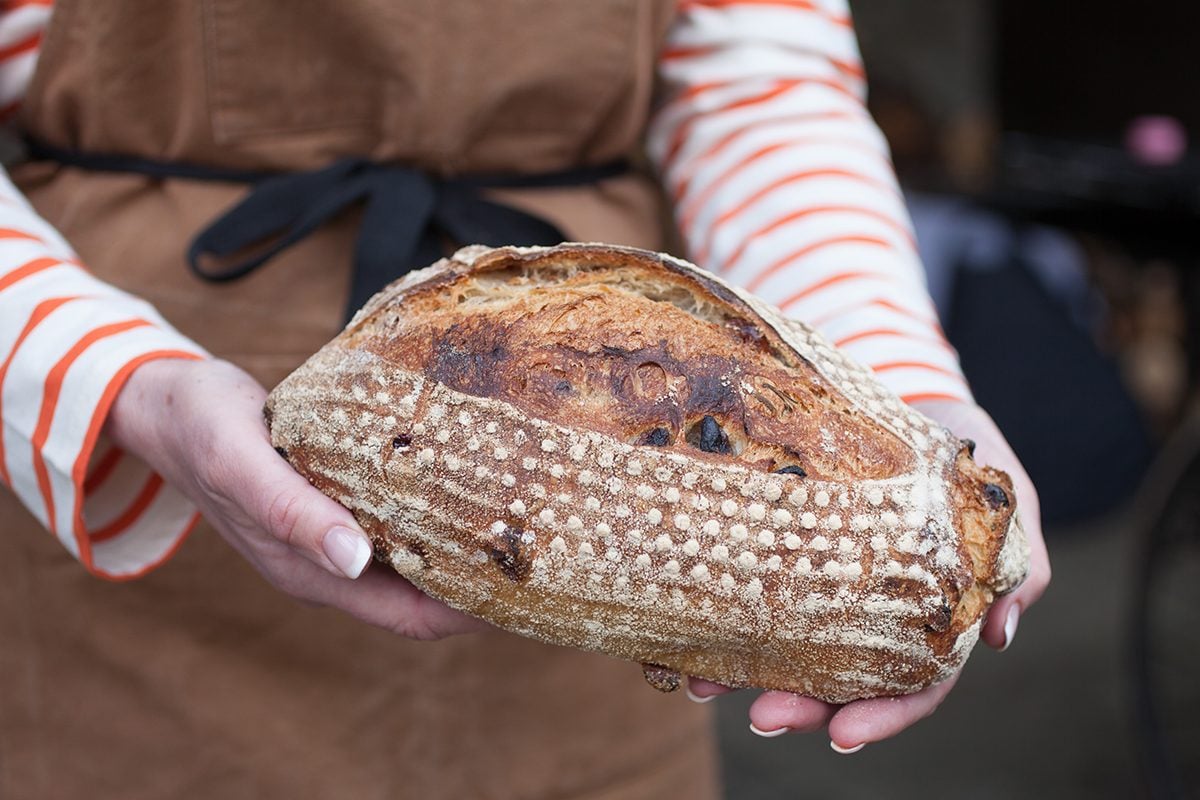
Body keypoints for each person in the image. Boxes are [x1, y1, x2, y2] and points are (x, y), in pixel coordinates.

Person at [0, 0, 1050, 796]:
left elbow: (757, 86)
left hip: (611, 515)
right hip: (140, 456)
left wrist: (893, 391)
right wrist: (117, 380)